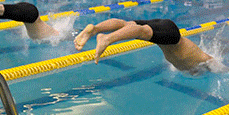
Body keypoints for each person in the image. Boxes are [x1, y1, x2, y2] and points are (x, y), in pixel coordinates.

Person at [74, 18, 216, 73]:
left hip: (167, 30)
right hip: (172, 35)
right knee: (142, 31)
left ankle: (95, 29)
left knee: (128, 25)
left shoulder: (193, 64)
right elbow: (216, 66)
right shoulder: (206, 61)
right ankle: (106, 38)